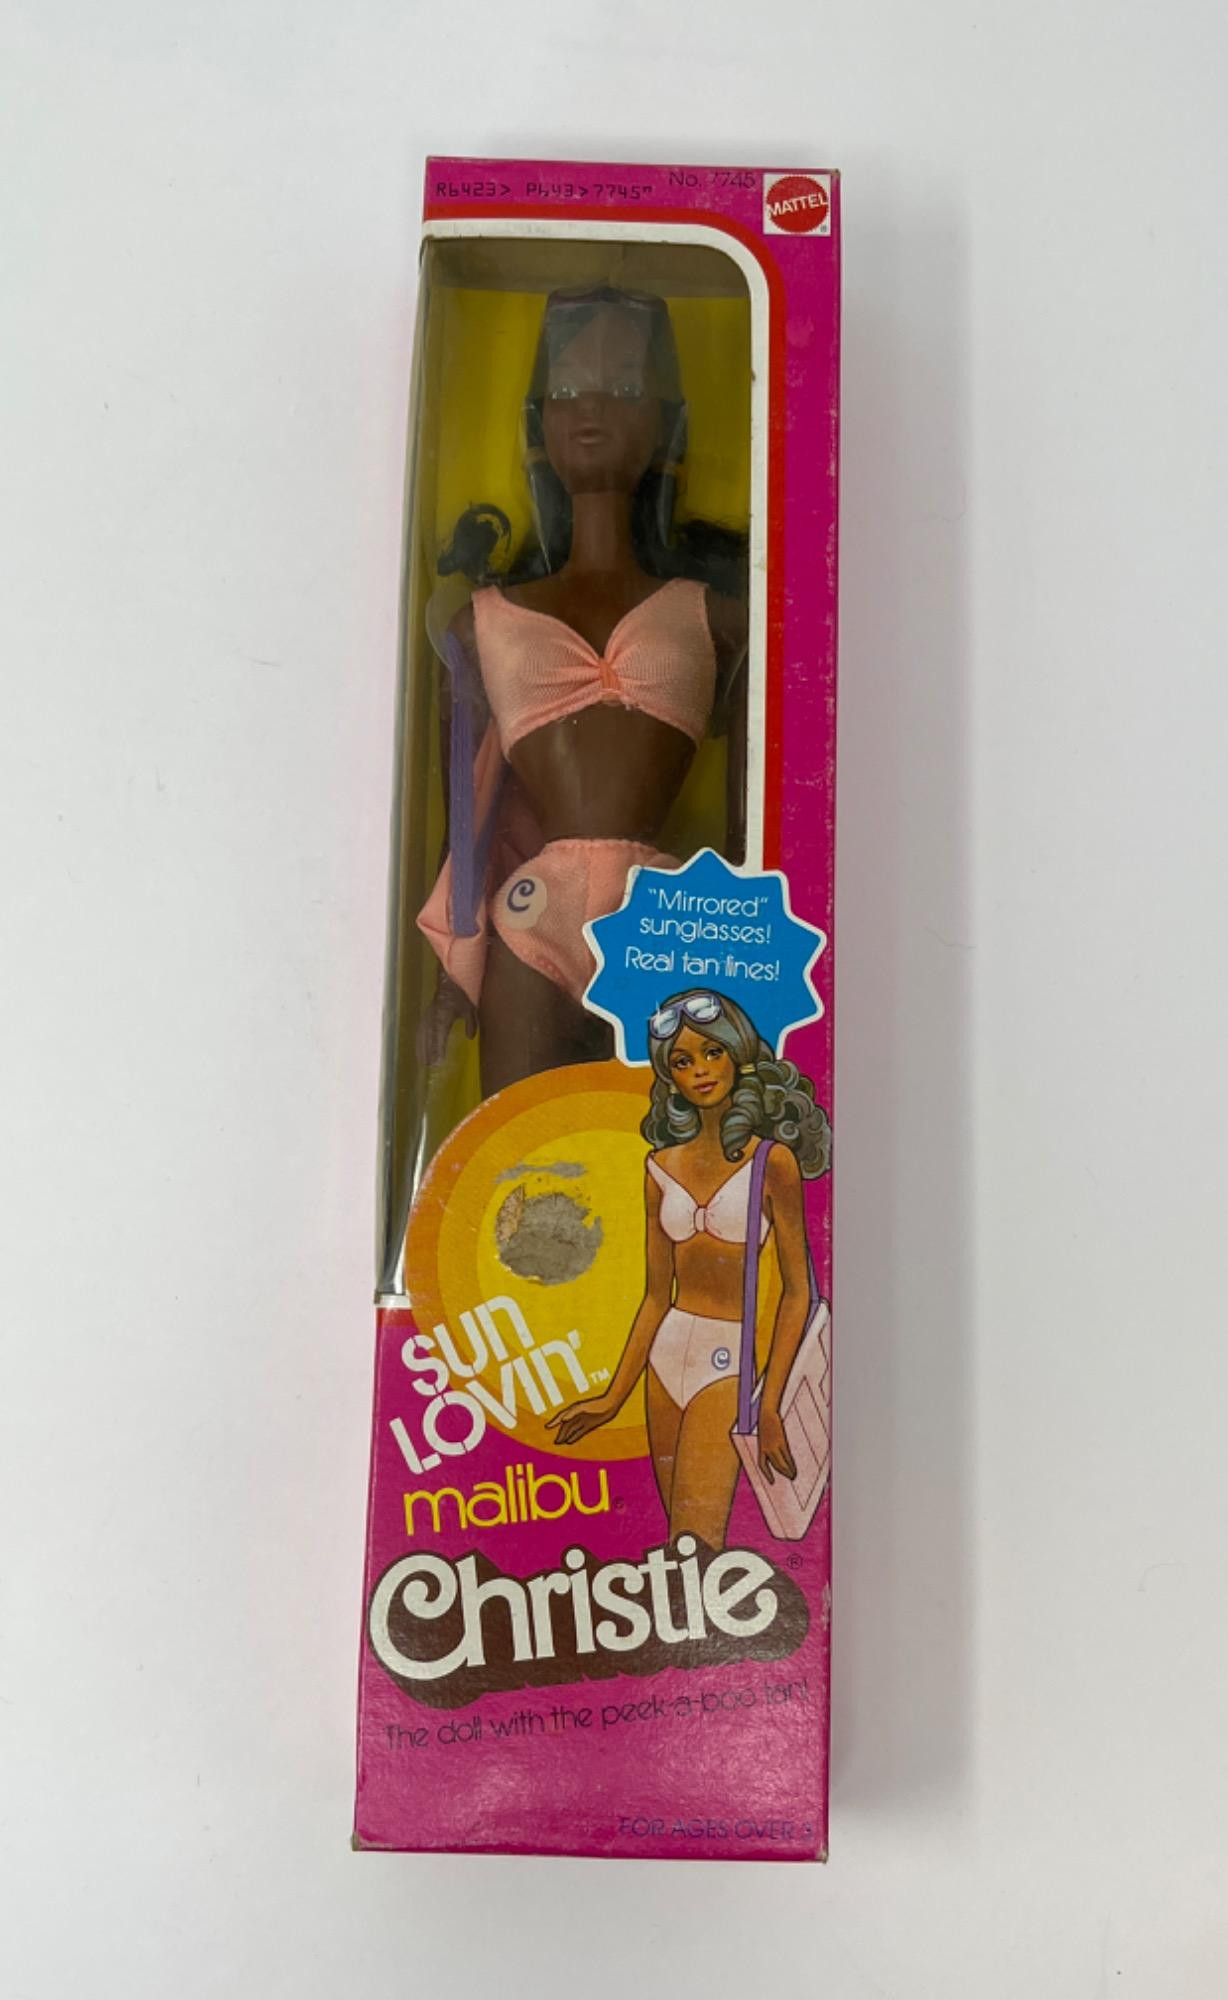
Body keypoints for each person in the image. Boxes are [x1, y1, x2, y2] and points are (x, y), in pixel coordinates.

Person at [416, 287, 749, 1093]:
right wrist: (452, 968)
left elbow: (756, 817)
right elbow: (468, 805)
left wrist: (750, 937)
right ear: (540, 421)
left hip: (669, 917)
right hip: (535, 919)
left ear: (665, 422)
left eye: (625, 387)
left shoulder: (718, 616)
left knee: (673, 1146)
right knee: (519, 1150)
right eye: (567, 389)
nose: (592, 407)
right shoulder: (482, 623)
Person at [547, 991, 831, 1549]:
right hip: (665, 1355)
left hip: (728, 1363)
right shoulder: (659, 1166)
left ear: (736, 1054)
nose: (700, 1070)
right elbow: (656, 1296)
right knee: (678, 1549)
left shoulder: (772, 1161)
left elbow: (798, 1292)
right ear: (669, 1076)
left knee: (695, 1541)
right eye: (682, 1061)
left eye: (712, 1053)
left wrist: (771, 1404)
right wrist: (612, 1397)